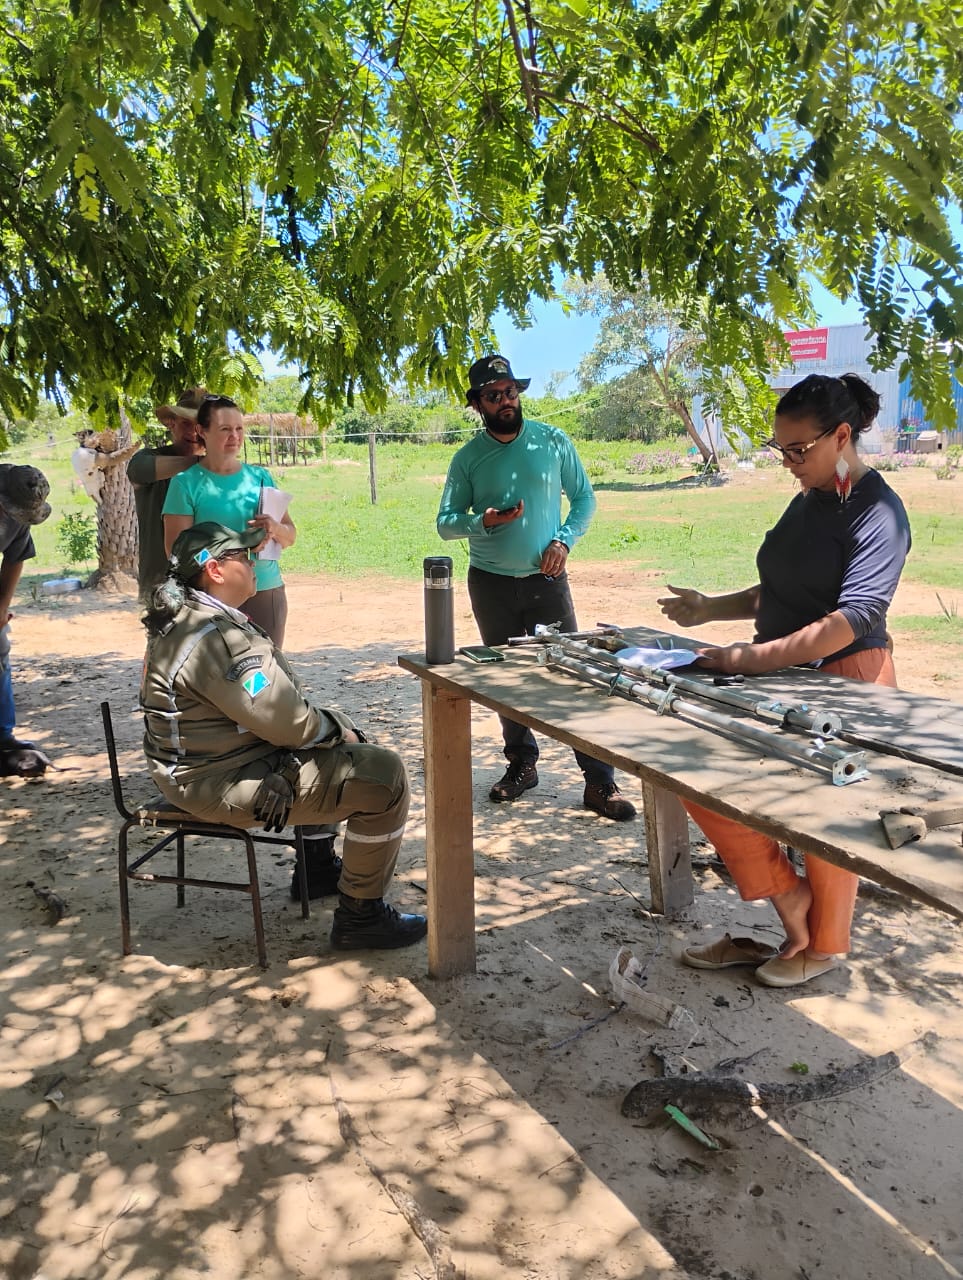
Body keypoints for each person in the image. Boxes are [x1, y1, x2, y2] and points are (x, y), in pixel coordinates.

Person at [658, 372, 911, 988]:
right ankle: (791, 906)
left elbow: (848, 621)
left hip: (847, 681)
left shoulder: (878, 511)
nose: (789, 462)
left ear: (842, 436)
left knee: (827, 825)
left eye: (798, 450)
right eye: (781, 450)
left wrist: (746, 659)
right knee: (702, 778)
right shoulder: (809, 497)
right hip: (784, 678)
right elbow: (781, 590)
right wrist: (708, 609)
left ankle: (822, 948)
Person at [140, 522, 427, 950]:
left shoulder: (188, 620)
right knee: (383, 777)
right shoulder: (217, 638)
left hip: (198, 768)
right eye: (244, 555)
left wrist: (326, 730)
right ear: (215, 570)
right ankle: (361, 916)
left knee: (332, 747)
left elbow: (272, 714)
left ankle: (317, 869)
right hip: (214, 779)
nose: (255, 561)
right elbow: (287, 723)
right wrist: (337, 726)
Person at [437, 355, 636, 821]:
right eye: (493, 395)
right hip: (490, 584)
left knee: (571, 677)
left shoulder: (552, 441)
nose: (505, 401)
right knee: (509, 680)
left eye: (510, 391)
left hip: (547, 580)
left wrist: (564, 540)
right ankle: (522, 765)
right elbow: (446, 524)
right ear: (477, 404)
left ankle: (599, 782)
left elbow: (584, 498)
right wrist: (480, 522)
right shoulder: (467, 458)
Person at [162, 394, 295, 646]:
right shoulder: (185, 484)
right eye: (225, 429)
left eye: (239, 428)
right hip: (212, 599)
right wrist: (231, 554)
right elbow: (176, 551)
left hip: (266, 591)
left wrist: (274, 528)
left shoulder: (260, 477)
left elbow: (291, 535)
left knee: (264, 677)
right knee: (219, 679)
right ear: (202, 431)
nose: (234, 436)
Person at [127, 387, 206, 600]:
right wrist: (207, 463)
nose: (193, 432)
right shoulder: (146, 459)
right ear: (171, 423)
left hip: (207, 582)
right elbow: (137, 470)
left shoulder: (218, 473)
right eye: (185, 423)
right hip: (160, 583)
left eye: (200, 426)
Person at [0, 465, 52, 776]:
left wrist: (1, 607)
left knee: (0, 646)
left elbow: (15, 558)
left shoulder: (18, 516)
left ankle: (3, 736)